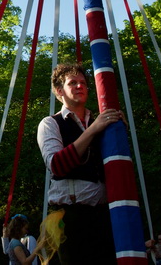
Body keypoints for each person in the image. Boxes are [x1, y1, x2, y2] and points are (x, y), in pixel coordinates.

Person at [36, 63, 120, 264]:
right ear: (59, 91)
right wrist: (93, 130)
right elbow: (57, 166)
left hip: (104, 214)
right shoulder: (50, 123)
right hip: (71, 217)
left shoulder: (101, 122)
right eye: (72, 83)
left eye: (82, 82)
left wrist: (117, 129)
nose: (80, 86)